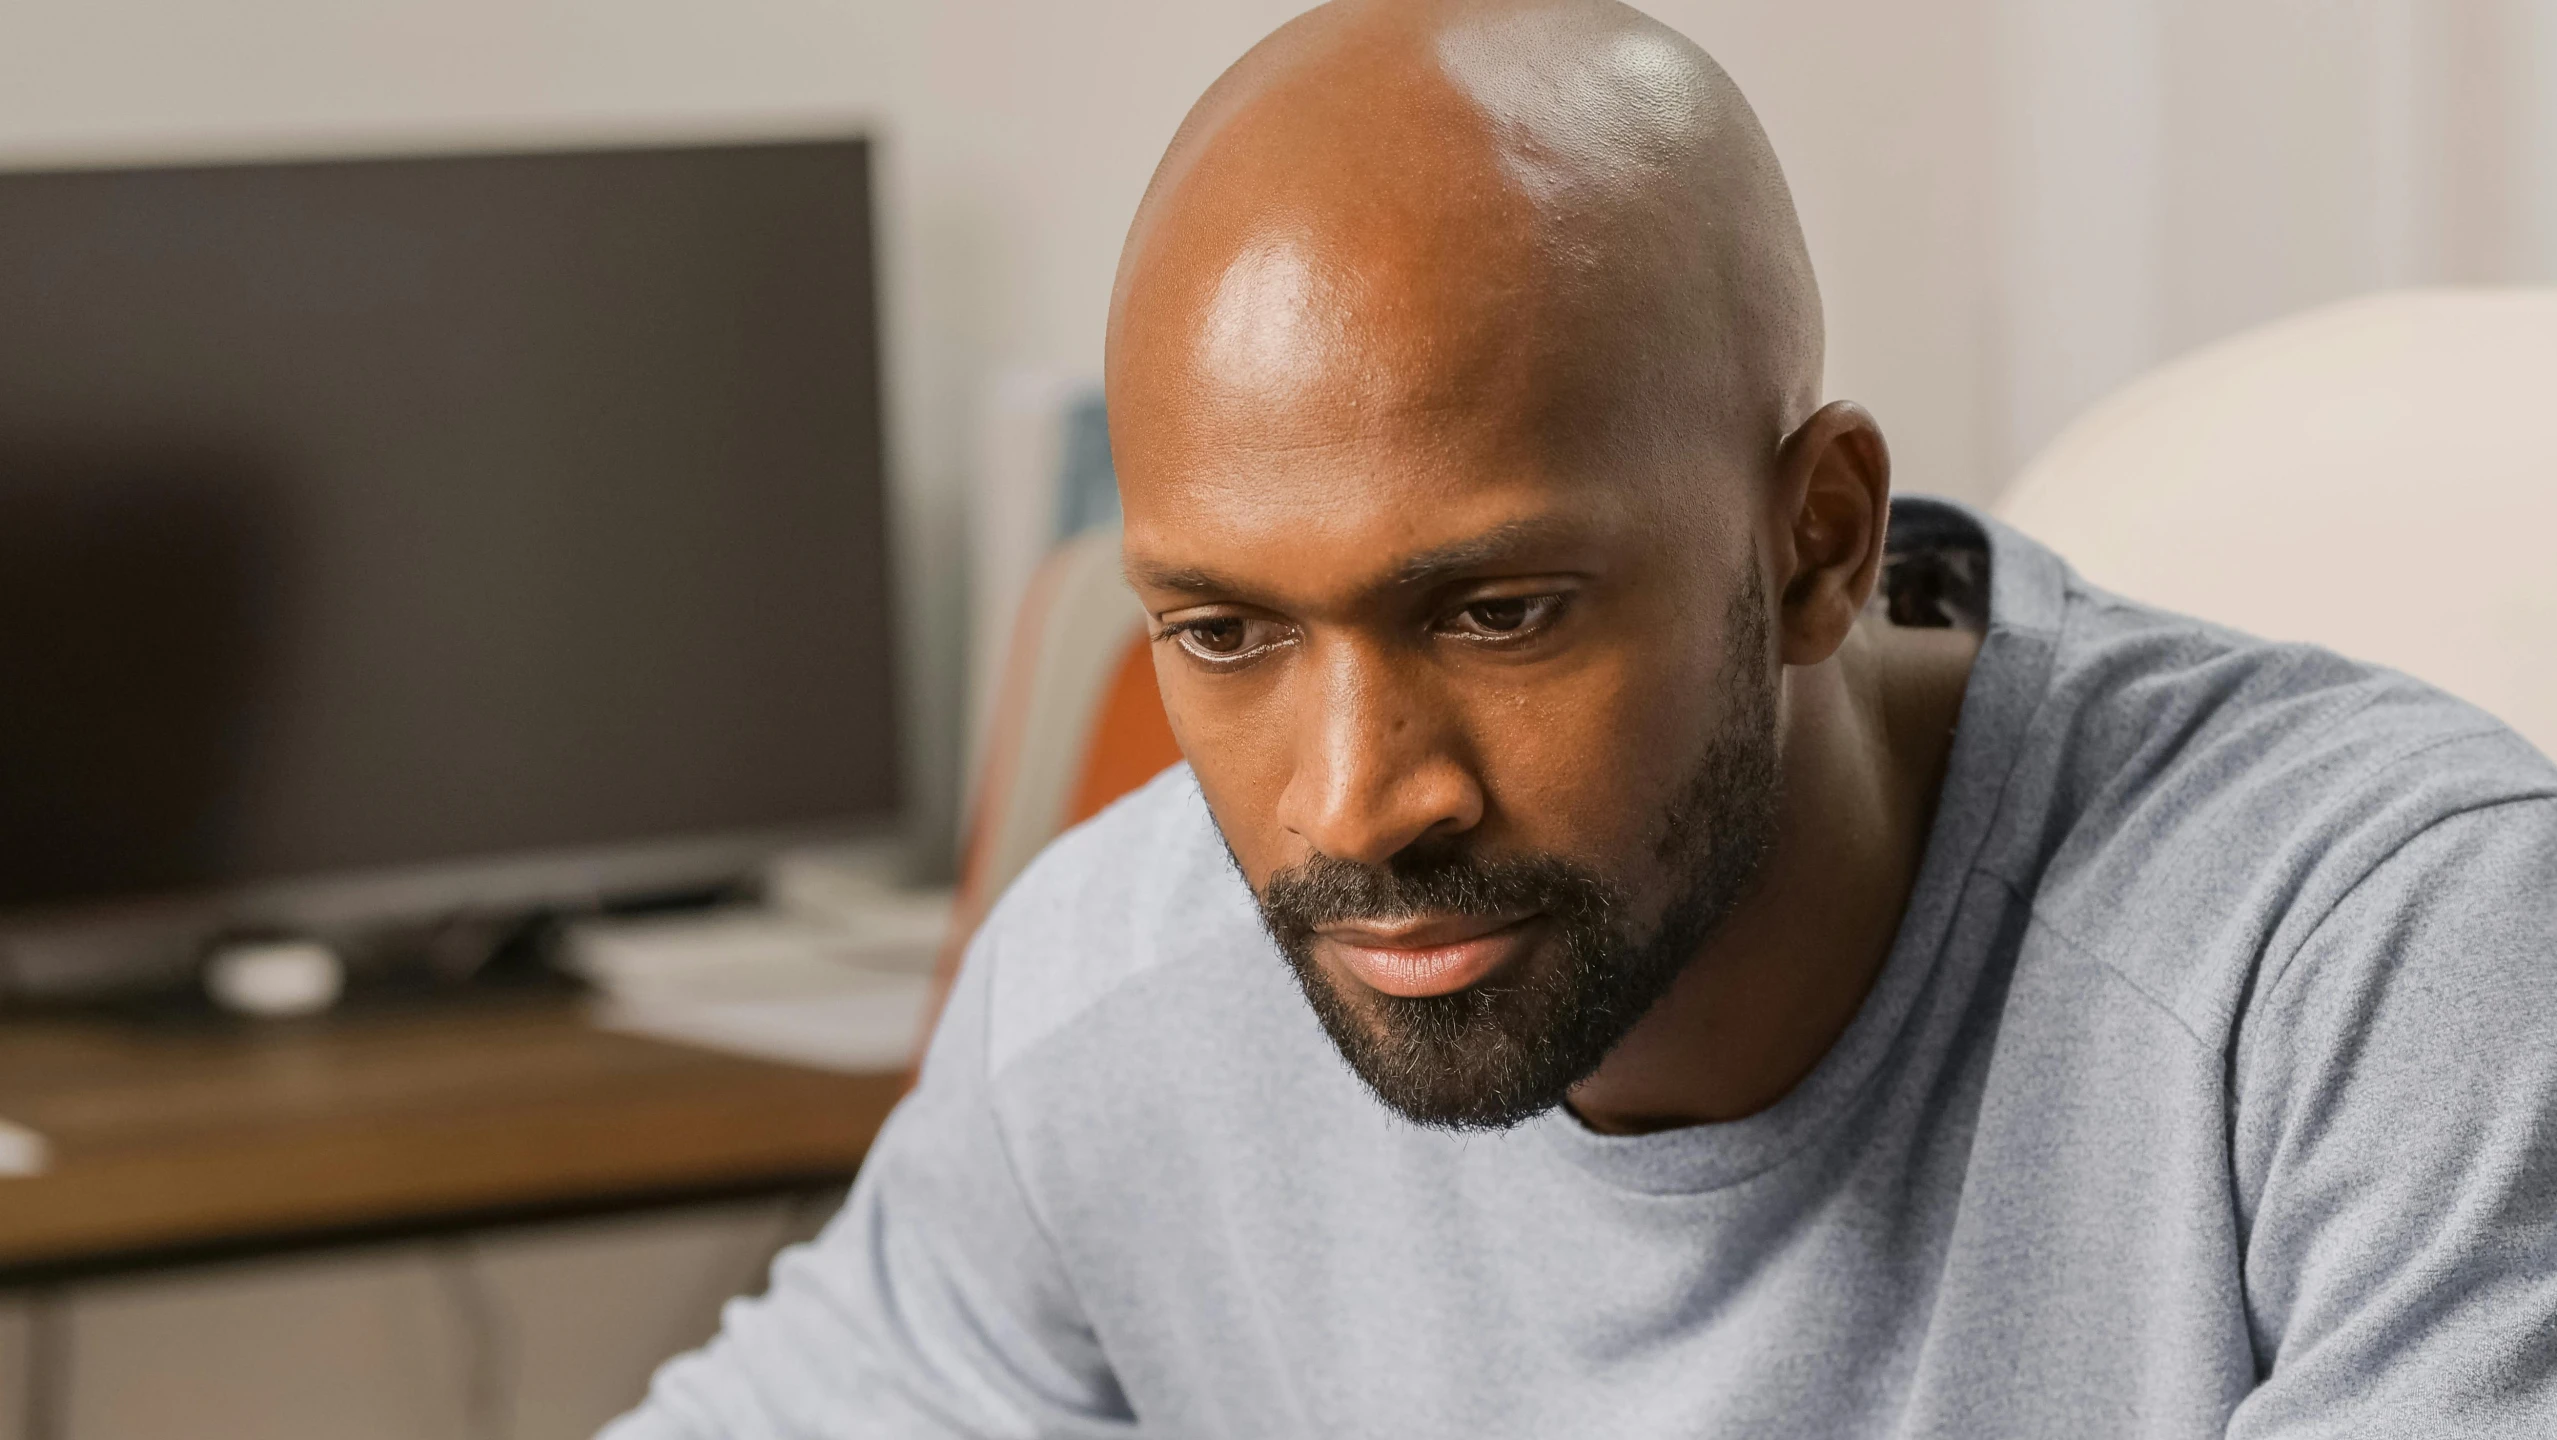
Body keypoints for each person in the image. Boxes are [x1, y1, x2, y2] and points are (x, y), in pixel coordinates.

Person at [606, 1, 2557, 1434]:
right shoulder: (1114, 1002)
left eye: (1501, 610)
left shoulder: (2389, 968)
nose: (1358, 805)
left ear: (1818, 539)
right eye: (1224, 633)